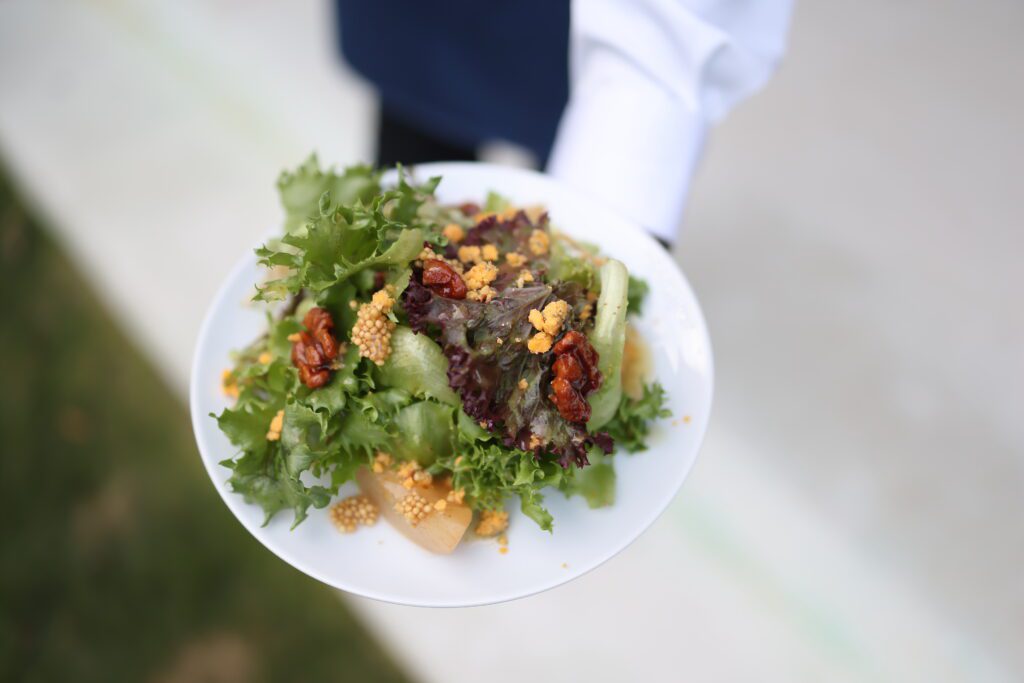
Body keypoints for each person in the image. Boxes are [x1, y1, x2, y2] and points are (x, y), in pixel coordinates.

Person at [335, 0, 793, 246]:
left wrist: (621, 185)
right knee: (412, 152)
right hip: (414, 18)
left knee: (560, 222)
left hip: (567, 32)